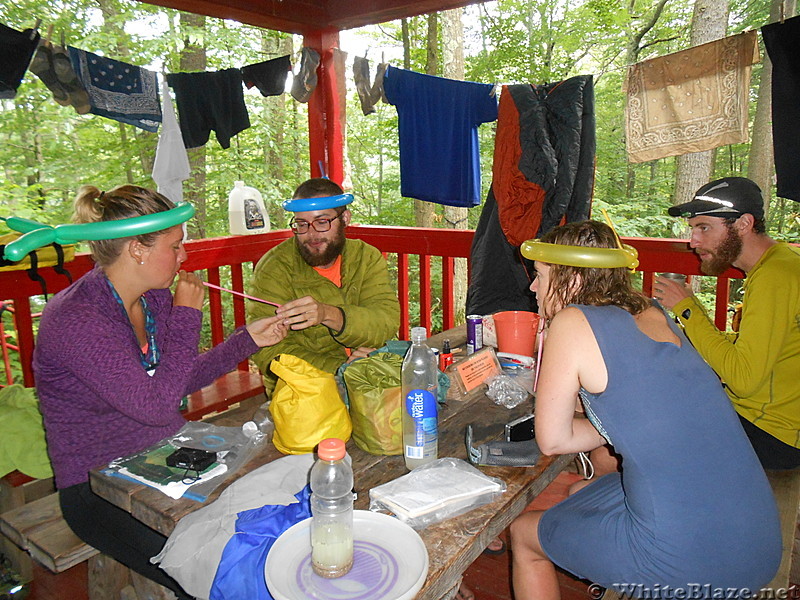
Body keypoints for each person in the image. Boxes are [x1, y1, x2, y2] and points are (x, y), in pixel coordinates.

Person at [33, 185, 288, 599]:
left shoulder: (151, 297)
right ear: (137, 249)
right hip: (98, 488)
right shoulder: (77, 319)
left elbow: (176, 380)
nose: (184, 256)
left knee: (266, 520)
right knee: (210, 573)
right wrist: (188, 314)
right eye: (176, 246)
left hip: (165, 457)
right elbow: (155, 405)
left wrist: (248, 341)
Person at [510, 220, 780, 599]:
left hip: (692, 565)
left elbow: (554, 440)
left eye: (539, 275)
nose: (532, 287)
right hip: (757, 543)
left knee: (524, 534)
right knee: (577, 495)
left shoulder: (572, 322)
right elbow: (628, 409)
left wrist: (551, 334)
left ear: (569, 279)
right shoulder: (649, 309)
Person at [656, 176, 800, 470]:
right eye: (693, 228)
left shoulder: (774, 276)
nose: (693, 241)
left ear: (744, 224)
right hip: (768, 421)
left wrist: (686, 309)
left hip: (771, 433)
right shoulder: (781, 262)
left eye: (704, 227)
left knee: (634, 435)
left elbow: (744, 380)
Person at [247, 178, 400, 392]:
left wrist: (329, 314)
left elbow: (386, 322)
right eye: (301, 224)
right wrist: (341, 369)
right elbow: (268, 350)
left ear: (345, 218)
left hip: (370, 377)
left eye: (322, 222)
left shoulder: (366, 257)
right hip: (305, 392)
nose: (311, 234)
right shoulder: (275, 268)